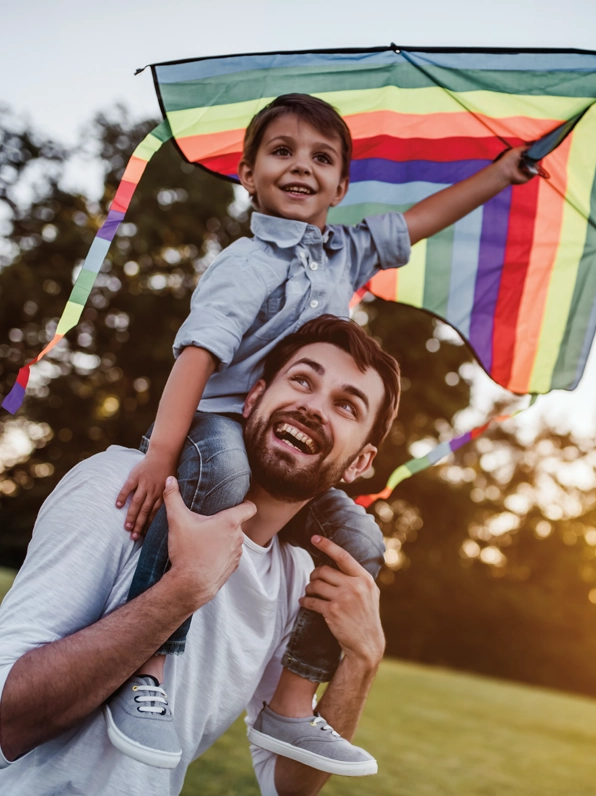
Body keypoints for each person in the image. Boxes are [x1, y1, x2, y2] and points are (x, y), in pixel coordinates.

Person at [111, 92, 540, 771]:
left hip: (285, 449)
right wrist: (163, 453)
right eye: (281, 152)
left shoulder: (346, 252)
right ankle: (146, 671)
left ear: (342, 185)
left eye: (321, 157)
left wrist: (500, 175)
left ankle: (289, 706)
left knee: (361, 538)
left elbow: (421, 221)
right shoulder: (246, 264)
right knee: (219, 473)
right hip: (219, 426)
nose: (300, 167)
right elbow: (196, 357)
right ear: (247, 174)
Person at [0, 316, 401, 795]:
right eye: (302, 380)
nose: (313, 407)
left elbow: (289, 784)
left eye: (346, 406)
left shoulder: (299, 581)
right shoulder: (122, 489)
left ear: (360, 463)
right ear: (253, 398)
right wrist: (182, 590)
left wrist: (362, 660)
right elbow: (9, 721)